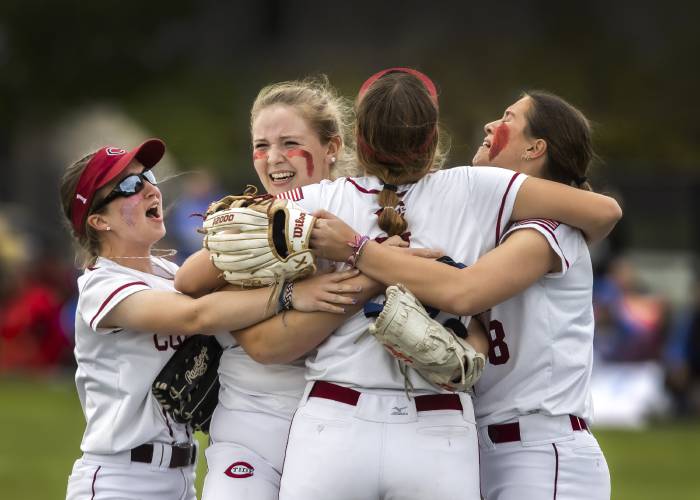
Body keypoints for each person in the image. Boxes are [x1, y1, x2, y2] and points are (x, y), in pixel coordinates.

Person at [274, 69, 621, 500]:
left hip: (537, 445)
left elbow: (465, 291)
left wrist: (359, 248)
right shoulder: (477, 200)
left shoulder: (550, 225)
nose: (492, 124)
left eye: (509, 118)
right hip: (475, 438)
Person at [59, 138, 356, 500]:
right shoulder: (100, 285)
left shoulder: (173, 273)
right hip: (120, 479)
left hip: (183, 476)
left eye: (148, 176)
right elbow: (194, 316)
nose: (150, 189)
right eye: (129, 186)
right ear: (98, 220)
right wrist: (289, 296)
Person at [175, 78, 386, 500]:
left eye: (290, 143)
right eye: (260, 145)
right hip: (251, 425)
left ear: (332, 147)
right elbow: (193, 282)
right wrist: (364, 280)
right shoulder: (248, 221)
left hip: (348, 430)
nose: (273, 159)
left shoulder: (371, 214)